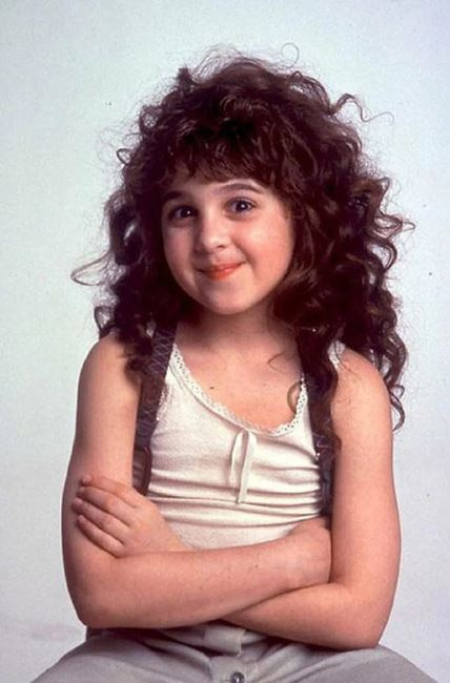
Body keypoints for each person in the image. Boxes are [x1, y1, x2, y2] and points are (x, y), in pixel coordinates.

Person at [33, 52, 437, 682]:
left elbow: (358, 618)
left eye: (240, 205)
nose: (210, 238)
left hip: (313, 661)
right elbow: (102, 595)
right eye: (183, 211)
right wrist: (292, 561)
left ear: (303, 215)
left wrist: (167, 557)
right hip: (143, 655)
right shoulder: (123, 366)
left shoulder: (350, 386)